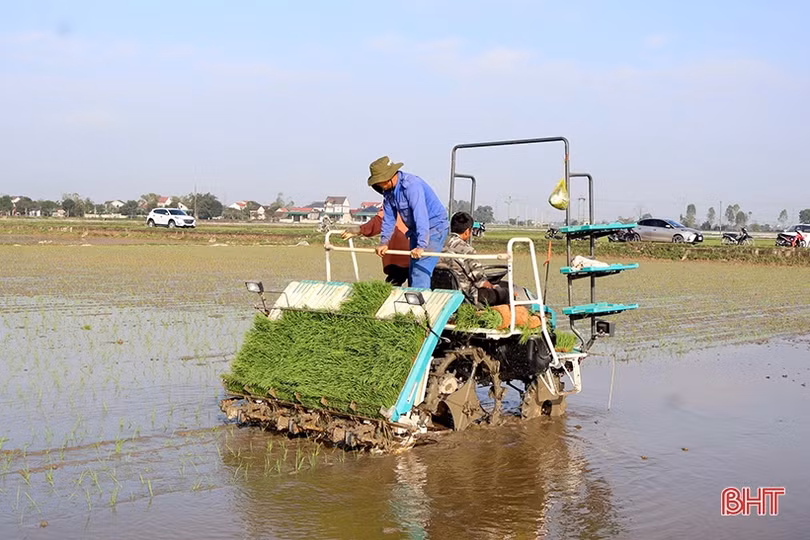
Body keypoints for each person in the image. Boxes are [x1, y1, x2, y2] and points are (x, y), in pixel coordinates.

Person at [367, 156, 449, 288]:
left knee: (420, 270)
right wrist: (384, 243)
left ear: (387, 178)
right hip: (416, 231)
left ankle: (418, 306)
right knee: (412, 270)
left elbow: (420, 214)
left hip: (433, 228)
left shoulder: (411, 186)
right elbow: (388, 219)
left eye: (378, 182)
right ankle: (413, 300)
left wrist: (421, 245)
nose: (377, 185)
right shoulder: (388, 193)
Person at [440, 211, 509, 306]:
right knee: (505, 293)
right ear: (468, 231)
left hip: (442, 291)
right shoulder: (467, 250)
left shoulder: (439, 245)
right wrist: (493, 286)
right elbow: (481, 281)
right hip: (467, 294)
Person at [341, 208, 410, 285]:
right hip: (399, 255)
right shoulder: (391, 200)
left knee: (417, 287)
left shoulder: (394, 200)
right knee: (395, 284)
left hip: (414, 254)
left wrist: (360, 229)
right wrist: (360, 230)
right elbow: (380, 220)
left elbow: (380, 220)